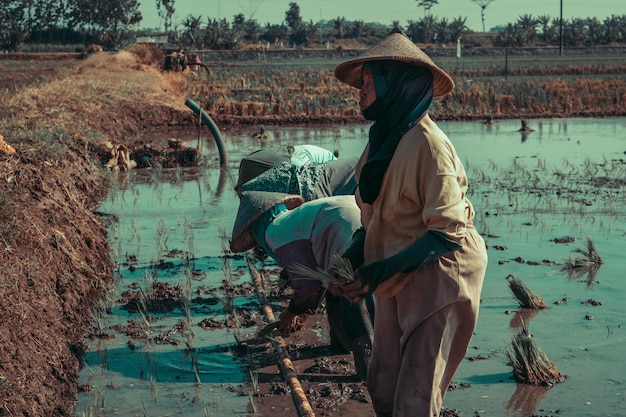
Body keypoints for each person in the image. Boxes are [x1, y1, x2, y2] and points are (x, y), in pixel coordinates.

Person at [330, 30, 488, 416]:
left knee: (415, 397)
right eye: (362, 82)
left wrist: (377, 270)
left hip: (440, 273)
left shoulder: (429, 147)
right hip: (397, 269)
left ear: (397, 85)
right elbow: (375, 216)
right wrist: (354, 255)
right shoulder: (384, 141)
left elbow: (447, 233)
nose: (361, 91)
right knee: (382, 384)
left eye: (369, 81)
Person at [230, 191, 375, 381]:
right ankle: (341, 347)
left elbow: (308, 285)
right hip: (364, 219)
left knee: (351, 298)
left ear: (256, 228)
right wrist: (306, 309)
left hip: (347, 233)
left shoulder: (275, 231)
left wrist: (293, 311)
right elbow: (318, 277)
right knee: (336, 290)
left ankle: (370, 371)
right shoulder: (295, 219)